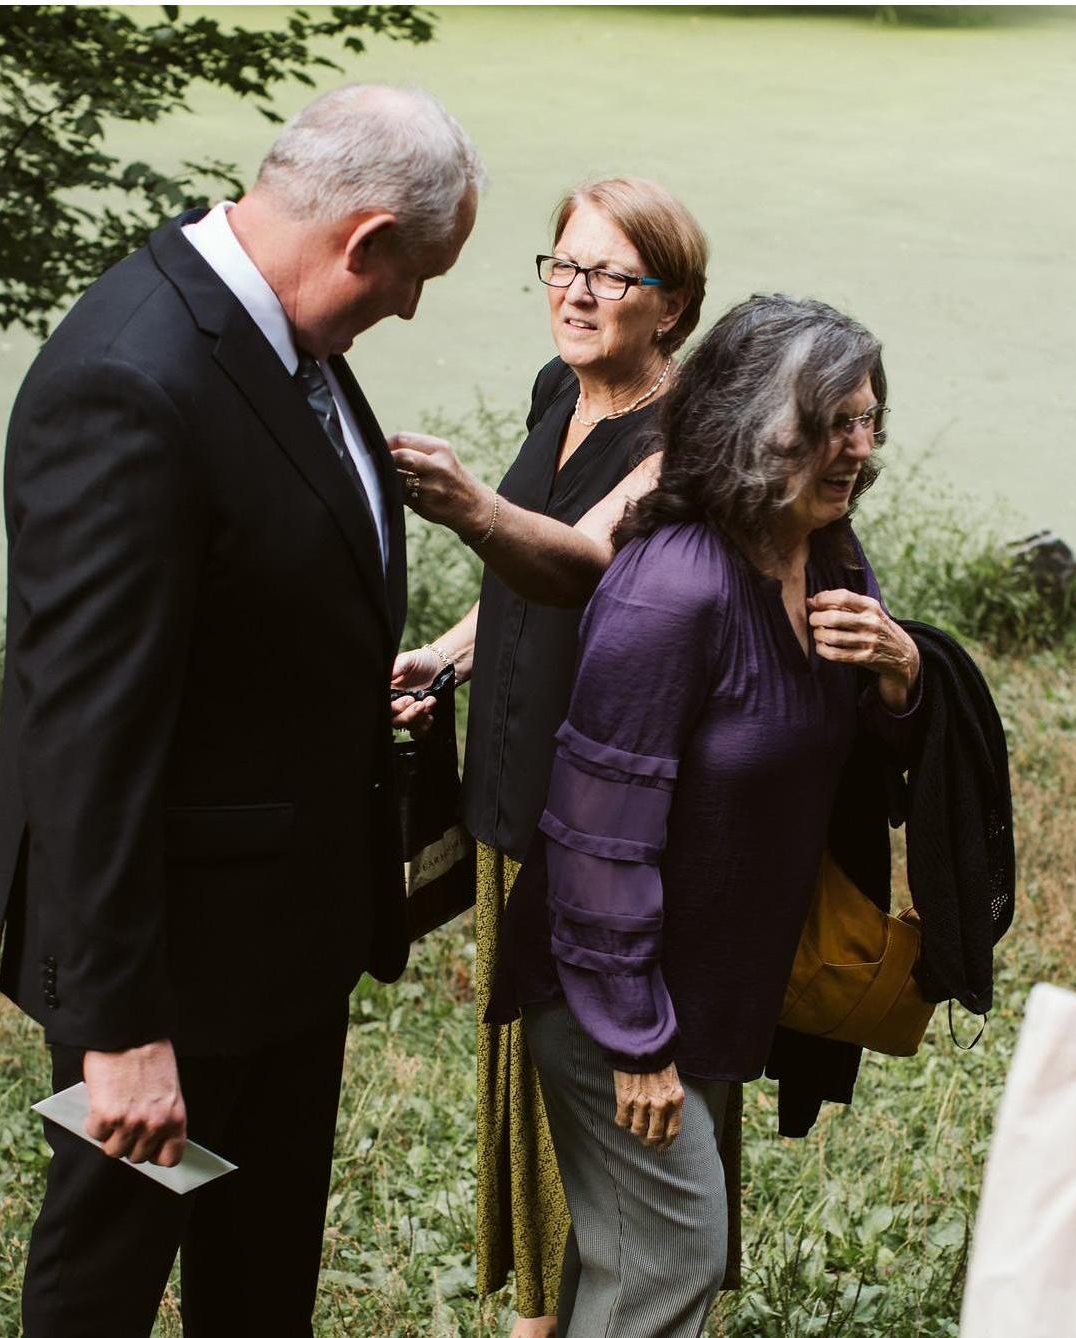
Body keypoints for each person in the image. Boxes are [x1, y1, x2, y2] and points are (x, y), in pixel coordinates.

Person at [0, 85, 483, 1337]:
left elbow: (244, 594)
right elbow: (83, 733)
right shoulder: (130, 382)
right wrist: (124, 1031)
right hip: (175, 970)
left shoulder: (284, 340)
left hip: (285, 939)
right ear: (364, 241)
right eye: (414, 275)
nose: (411, 306)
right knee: (107, 1279)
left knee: (259, 1284)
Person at [488, 293, 923, 1338]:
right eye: (830, 424)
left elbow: (858, 764)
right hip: (610, 992)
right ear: (745, 424)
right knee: (676, 1253)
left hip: (713, 983)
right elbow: (596, 835)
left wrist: (902, 668)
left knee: (639, 1262)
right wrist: (635, 1040)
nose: (857, 447)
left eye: (867, 419)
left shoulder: (826, 556)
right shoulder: (670, 592)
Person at [388, 177, 709, 1337]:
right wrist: (450, 653)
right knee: (527, 1069)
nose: (577, 293)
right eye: (563, 265)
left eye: (614, 275)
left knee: (595, 1065)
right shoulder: (554, 393)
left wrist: (469, 505)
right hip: (509, 786)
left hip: (598, 806)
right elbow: (521, 583)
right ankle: (542, 1300)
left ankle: (613, 1297)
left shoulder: (687, 440)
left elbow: (576, 560)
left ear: (669, 307)